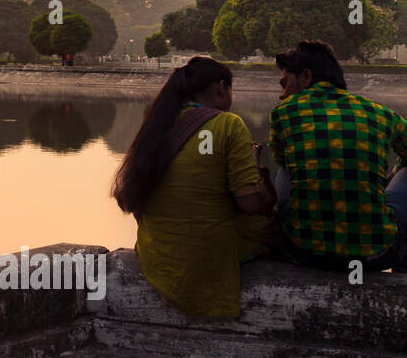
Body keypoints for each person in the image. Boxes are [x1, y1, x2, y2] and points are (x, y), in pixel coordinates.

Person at [112, 56, 279, 318]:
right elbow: (249, 204)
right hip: (205, 254)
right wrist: (255, 167)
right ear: (221, 88)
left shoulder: (158, 124)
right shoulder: (228, 125)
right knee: (272, 230)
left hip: (155, 252)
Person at [269, 41, 406, 272]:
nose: (282, 95)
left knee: (285, 168)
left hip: (305, 252)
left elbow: (286, 165)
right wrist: (393, 172)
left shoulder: (284, 112)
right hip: (377, 254)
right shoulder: (380, 113)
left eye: (284, 84)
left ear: (305, 77)